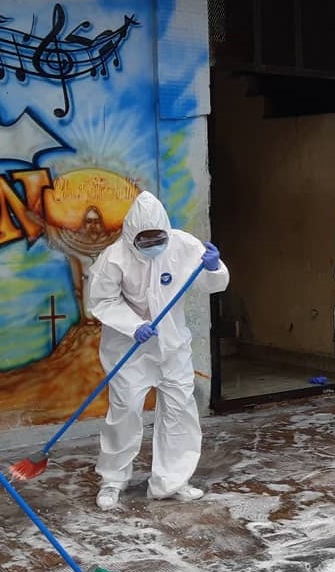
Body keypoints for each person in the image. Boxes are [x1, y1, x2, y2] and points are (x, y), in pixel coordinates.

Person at [87, 191, 229, 511]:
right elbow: (102, 301)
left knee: (180, 409)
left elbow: (212, 283)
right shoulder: (113, 258)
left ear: (167, 230)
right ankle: (113, 479)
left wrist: (214, 266)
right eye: (145, 240)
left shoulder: (182, 245)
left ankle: (172, 481)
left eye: (158, 238)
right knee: (125, 411)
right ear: (130, 236)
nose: (153, 245)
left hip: (172, 344)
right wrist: (132, 324)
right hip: (130, 346)